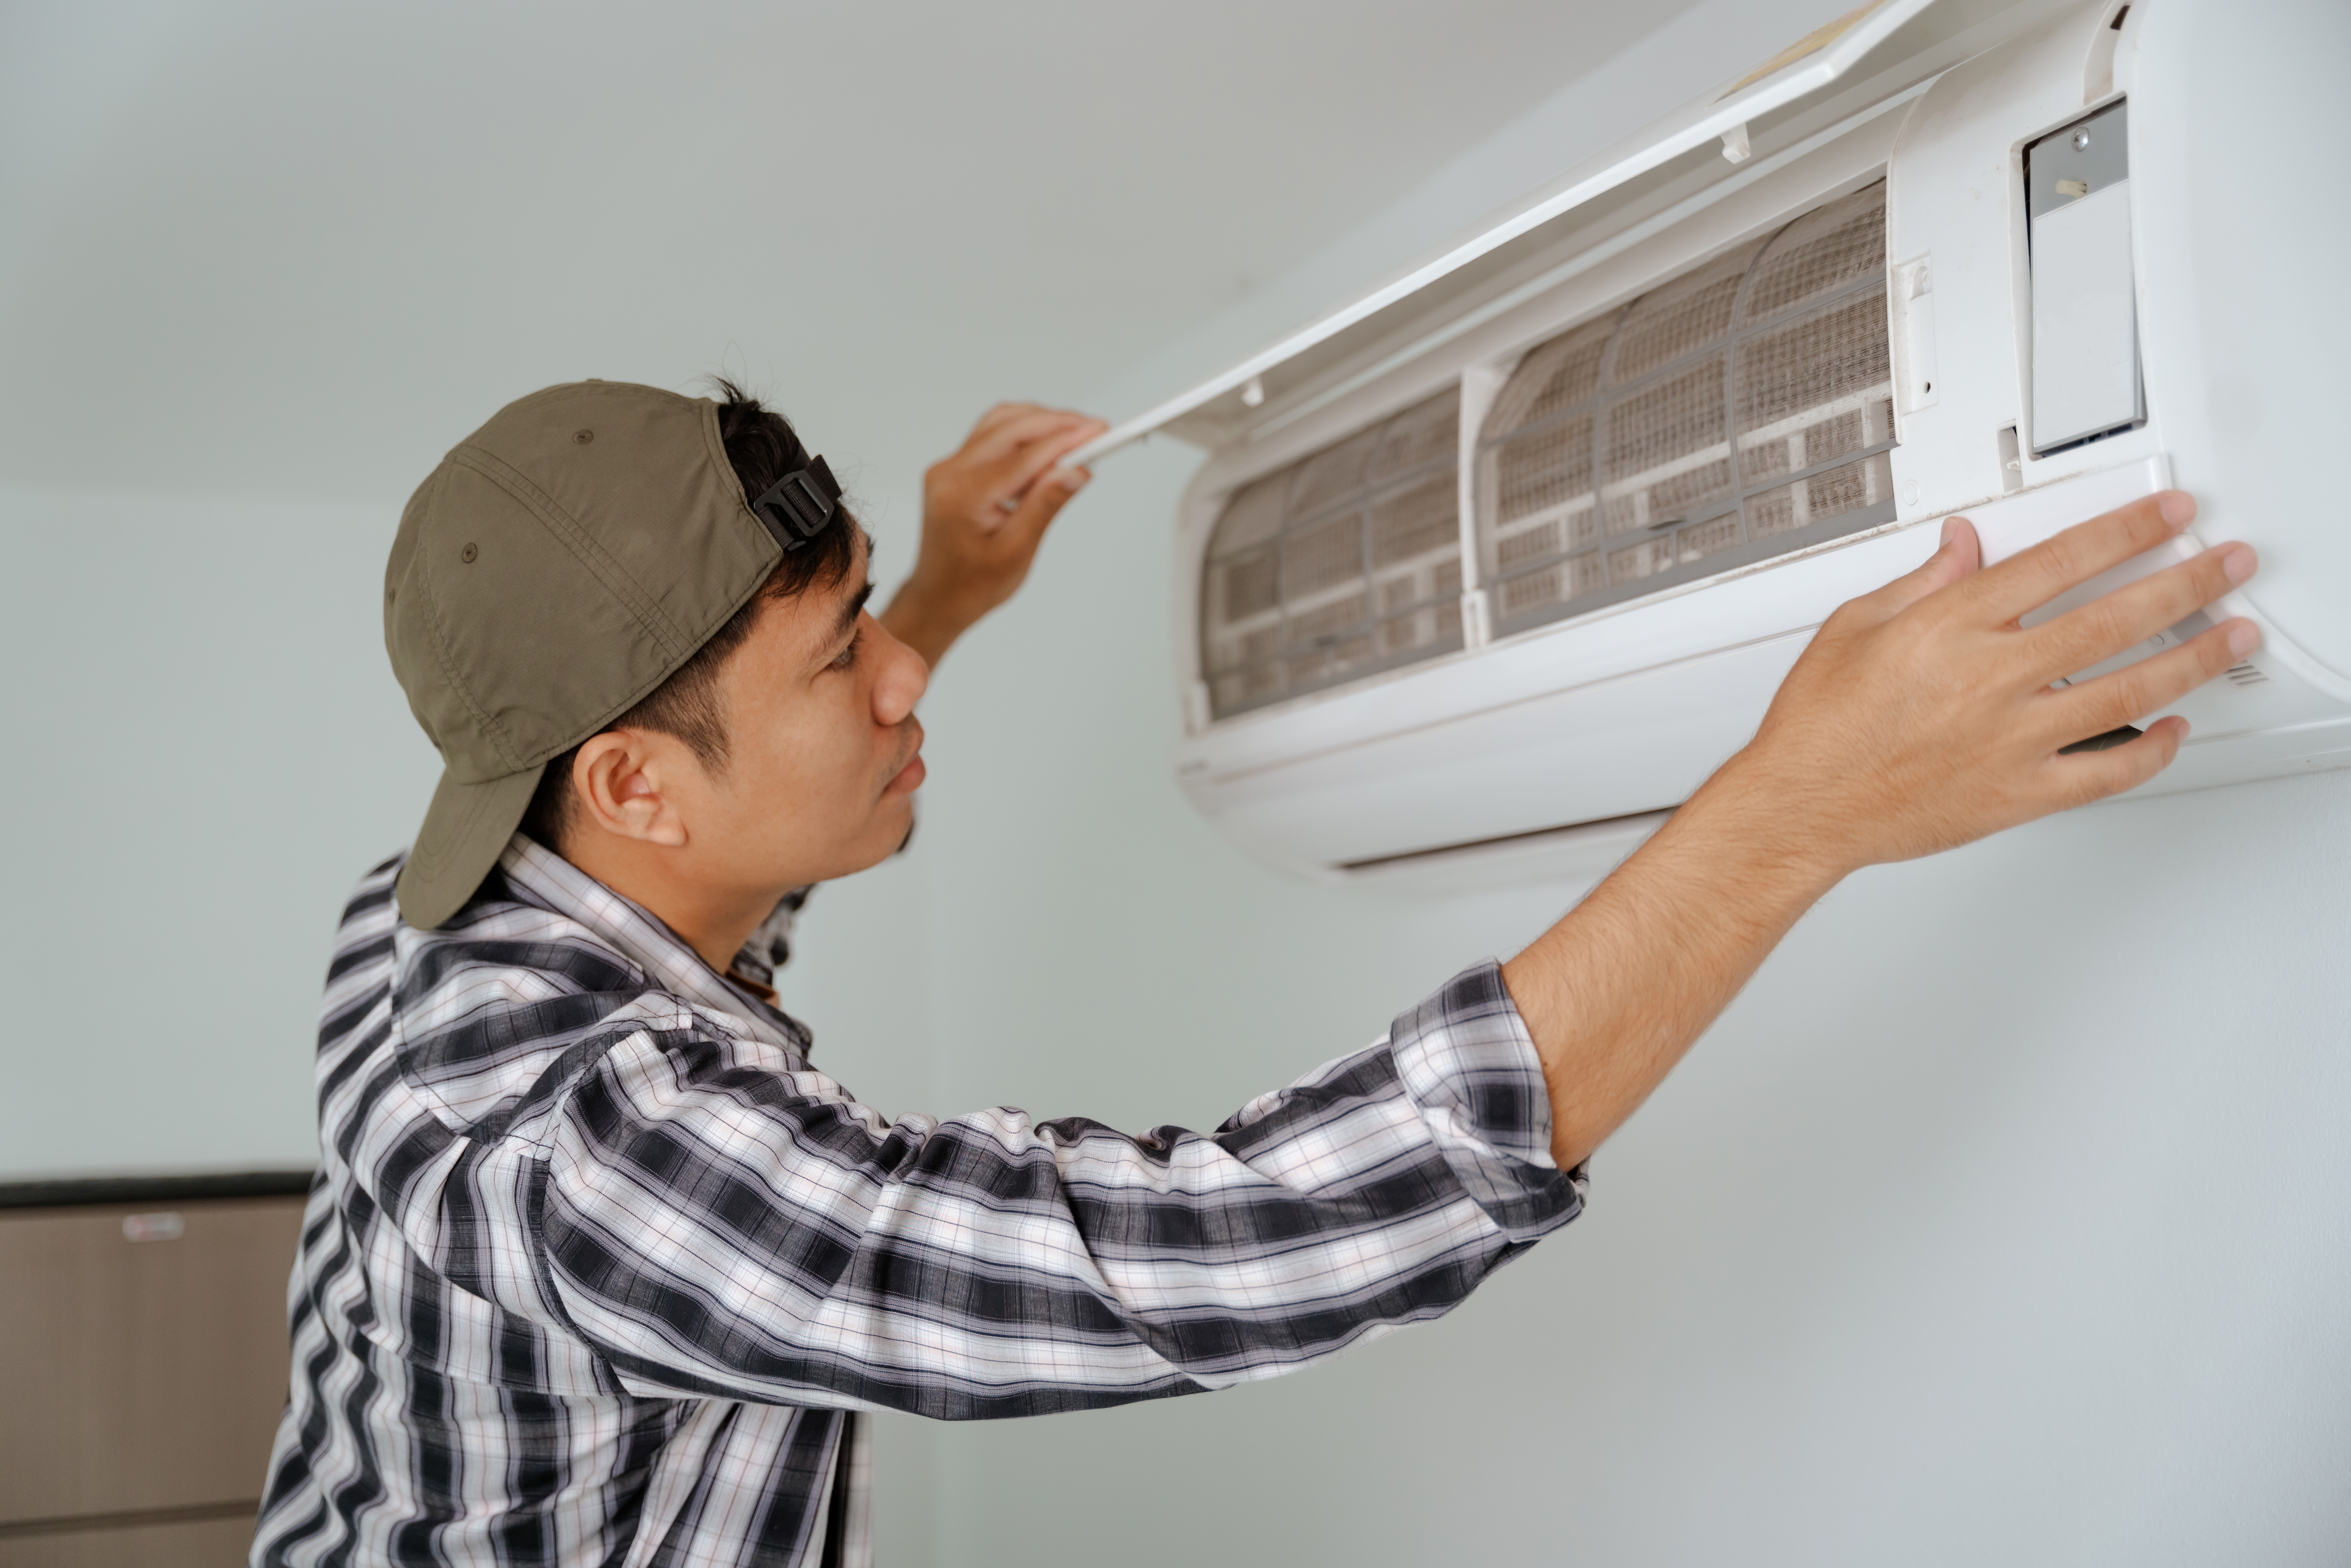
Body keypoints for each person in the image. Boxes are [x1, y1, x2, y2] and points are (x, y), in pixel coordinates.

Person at [252, 377, 2260, 1567]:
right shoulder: (579, 1152)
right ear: (628, 783)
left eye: (865, 602)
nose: (895, 682)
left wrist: (943, 590)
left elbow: (726, 895)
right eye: (835, 654)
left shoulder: (449, 905)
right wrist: (1796, 808)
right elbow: (1202, 1250)